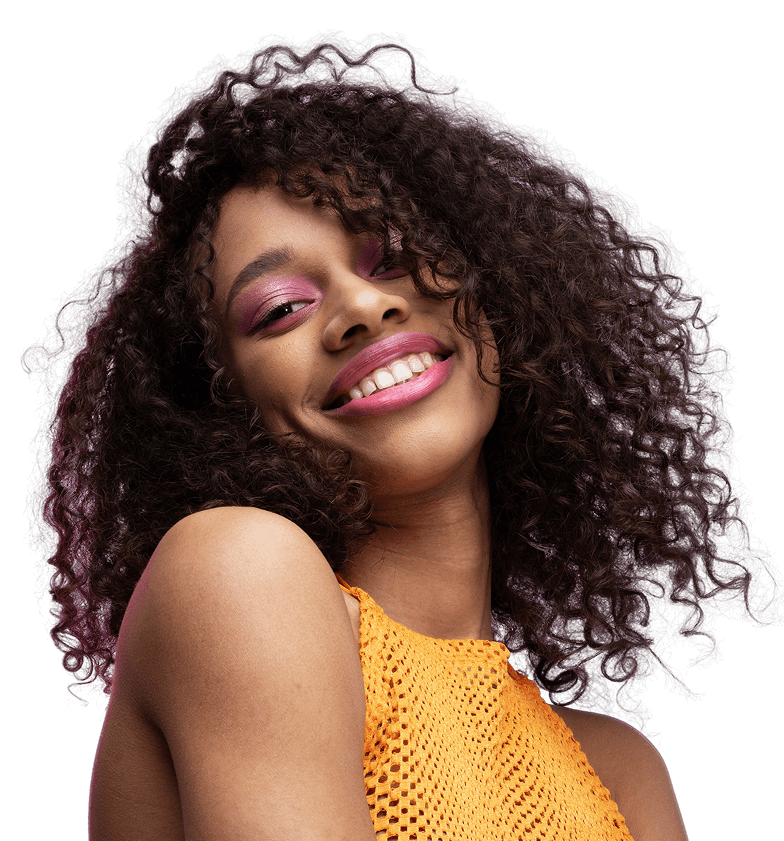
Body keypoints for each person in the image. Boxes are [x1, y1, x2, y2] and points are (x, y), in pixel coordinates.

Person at [22, 33, 780, 840]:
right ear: (221, 405)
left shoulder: (620, 771)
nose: (362, 307)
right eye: (281, 308)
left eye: (390, 256)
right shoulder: (237, 570)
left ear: (494, 290)